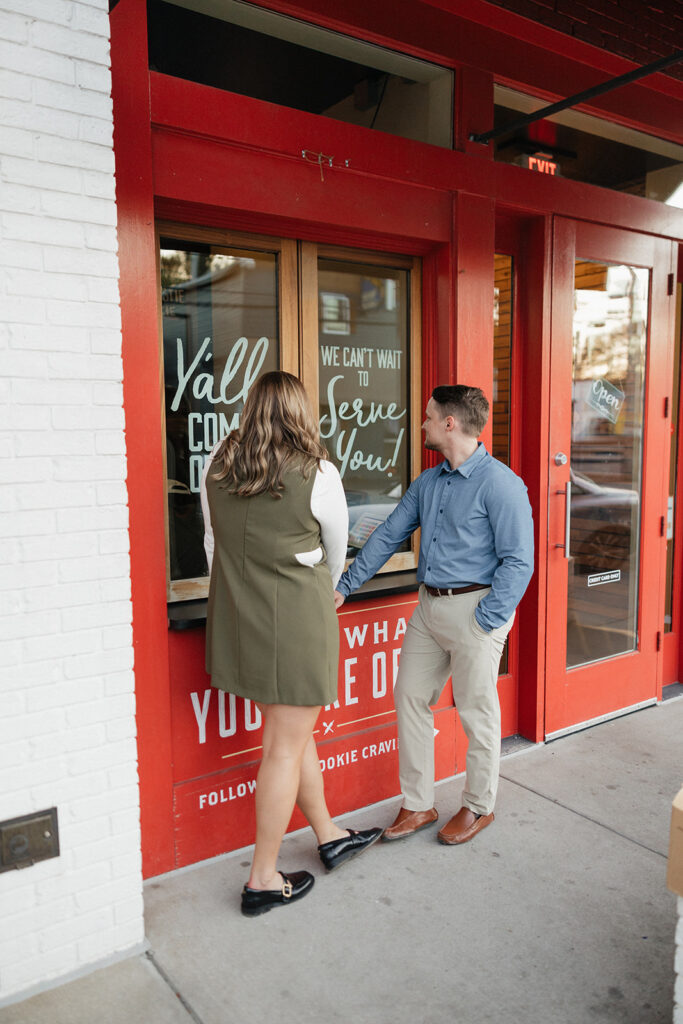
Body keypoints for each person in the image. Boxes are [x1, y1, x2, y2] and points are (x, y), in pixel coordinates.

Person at [201, 371, 382, 917]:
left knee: (293, 735)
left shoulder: (219, 461)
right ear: (301, 411)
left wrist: (242, 591)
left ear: (251, 407)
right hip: (297, 618)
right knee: (284, 744)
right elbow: (335, 549)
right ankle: (261, 879)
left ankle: (329, 835)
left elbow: (213, 542)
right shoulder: (317, 471)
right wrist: (320, 586)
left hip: (239, 617)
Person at [334, 385, 534, 845]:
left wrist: (488, 619)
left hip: (475, 609)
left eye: (428, 417)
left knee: (476, 711)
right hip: (428, 608)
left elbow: (520, 560)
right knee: (409, 696)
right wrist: (345, 586)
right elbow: (387, 535)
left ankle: (479, 805)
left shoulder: (500, 483)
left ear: (450, 422)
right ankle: (419, 802)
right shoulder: (429, 483)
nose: (421, 424)